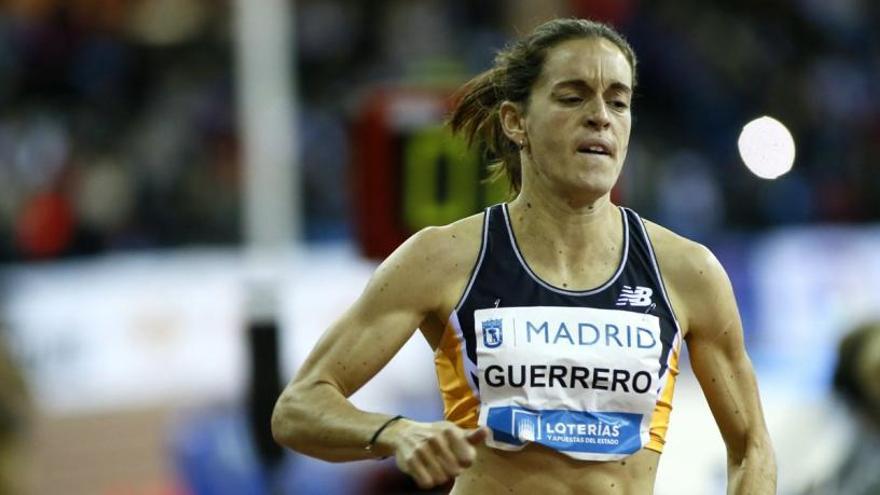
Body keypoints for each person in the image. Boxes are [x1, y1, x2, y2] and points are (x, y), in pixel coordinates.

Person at [272, 17, 776, 494]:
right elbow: (298, 408)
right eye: (572, 97)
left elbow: (752, 445)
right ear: (516, 122)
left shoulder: (687, 271)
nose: (600, 116)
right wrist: (396, 432)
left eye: (618, 102)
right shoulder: (445, 258)